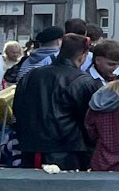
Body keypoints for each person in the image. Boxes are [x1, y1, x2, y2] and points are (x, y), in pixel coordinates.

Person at [11, 31, 97, 170]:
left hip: (31, 147)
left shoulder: (32, 75)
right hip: (67, 150)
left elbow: (18, 108)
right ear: (83, 56)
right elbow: (89, 121)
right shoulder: (83, 81)